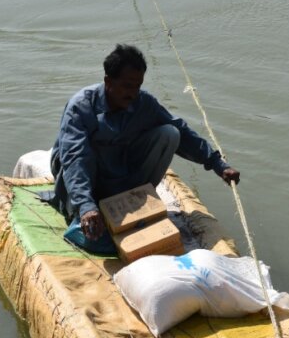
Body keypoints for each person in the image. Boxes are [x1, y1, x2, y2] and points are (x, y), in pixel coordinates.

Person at [51, 44, 241, 241]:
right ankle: (82, 210)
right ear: (108, 81)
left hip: (115, 171)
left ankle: (133, 201)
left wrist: (218, 164)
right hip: (81, 174)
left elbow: (182, 132)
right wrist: (86, 205)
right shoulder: (80, 107)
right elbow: (75, 157)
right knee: (83, 156)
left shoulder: (143, 102)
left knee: (170, 133)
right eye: (126, 86)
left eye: (137, 86)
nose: (132, 93)